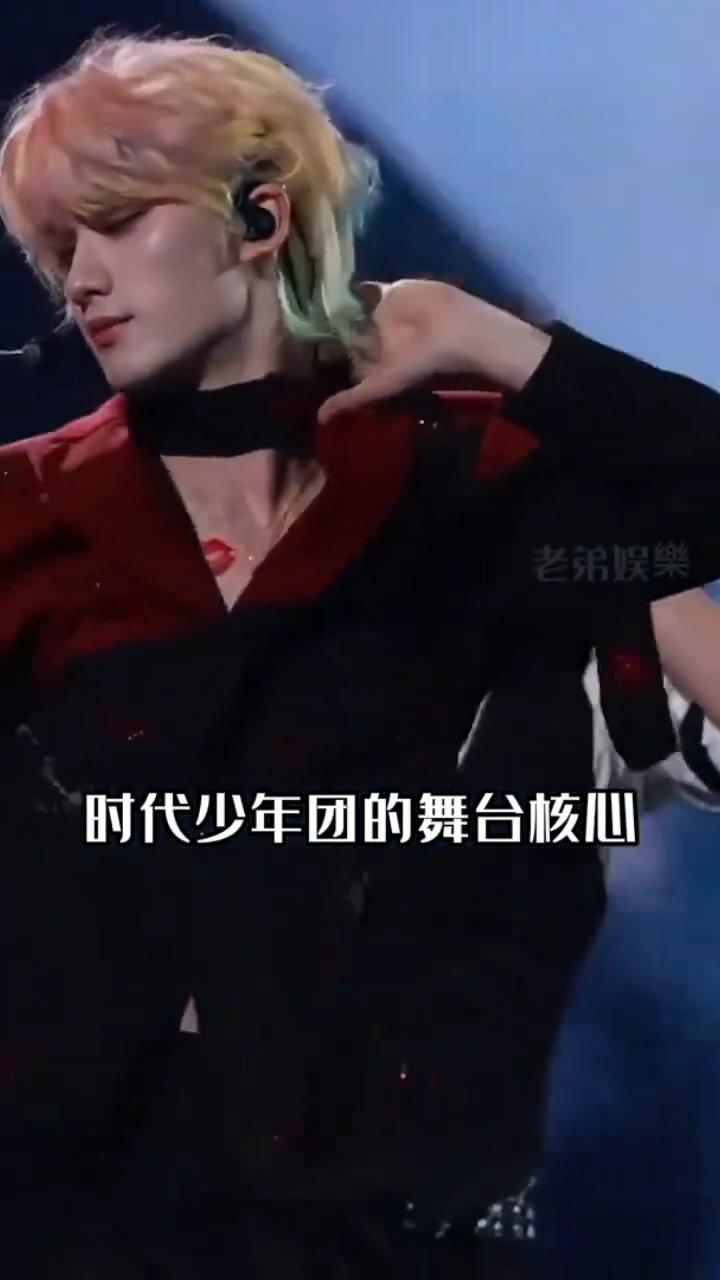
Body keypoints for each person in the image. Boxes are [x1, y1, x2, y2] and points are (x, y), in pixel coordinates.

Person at [0, 29, 718, 1280]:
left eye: (116, 222)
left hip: (395, 1215)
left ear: (259, 216)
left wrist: (498, 343)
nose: (85, 281)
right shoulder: (29, 510)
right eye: (61, 248)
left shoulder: (481, 476)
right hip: (74, 1206)